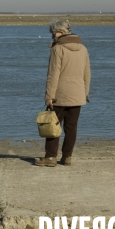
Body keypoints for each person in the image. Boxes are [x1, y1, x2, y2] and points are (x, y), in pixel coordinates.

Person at [35, 20, 91, 167]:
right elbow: (87, 74)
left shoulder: (57, 49)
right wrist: (85, 93)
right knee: (71, 128)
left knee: (52, 126)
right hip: (78, 94)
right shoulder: (83, 49)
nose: (53, 35)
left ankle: (51, 158)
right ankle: (67, 157)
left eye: (54, 32)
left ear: (60, 32)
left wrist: (49, 96)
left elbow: (53, 74)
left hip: (59, 94)